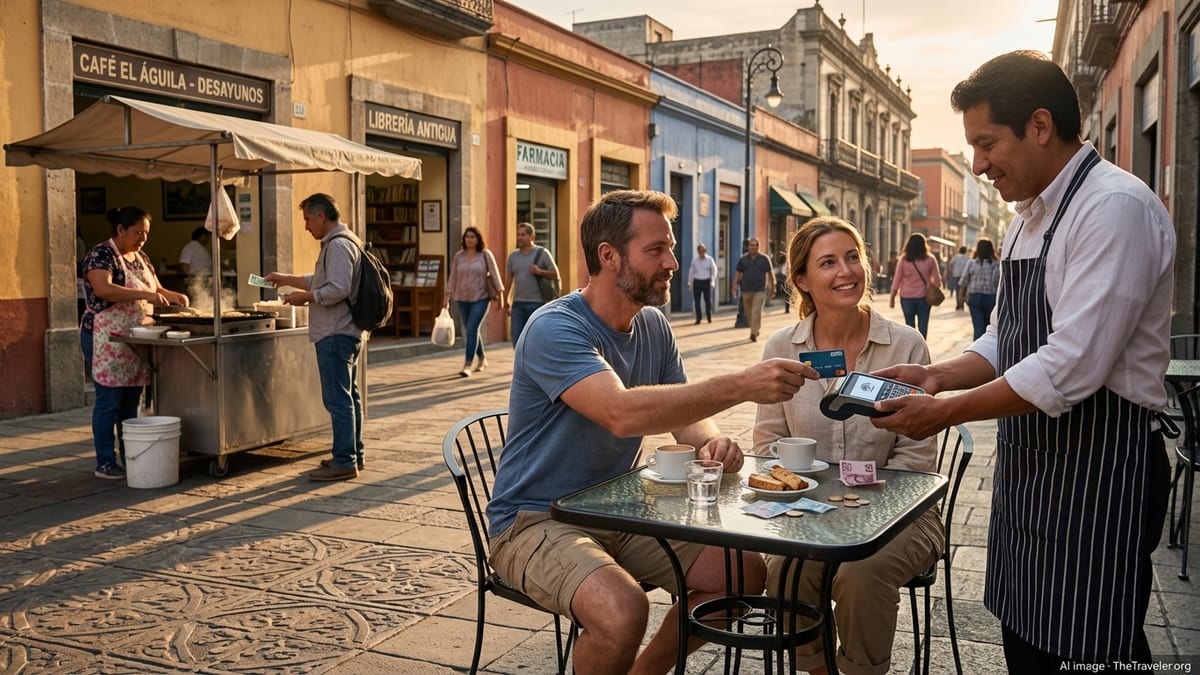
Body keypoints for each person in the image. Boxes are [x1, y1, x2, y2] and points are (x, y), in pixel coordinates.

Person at [872, 51, 1175, 670]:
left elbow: (1071, 366)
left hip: (1102, 470)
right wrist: (938, 375)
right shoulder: (1025, 221)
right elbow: (1007, 335)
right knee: (1029, 637)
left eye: (987, 144)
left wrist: (944, 412)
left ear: (1040, 126)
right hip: (1035, 468)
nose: (979, 164)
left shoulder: (1113, 209)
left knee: (1092, 644)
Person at [487, 189, 814, 675]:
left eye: (672, 248)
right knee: (623, 610)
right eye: (656, 250)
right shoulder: (553, 327)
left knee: (743, 571)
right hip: (535, 520)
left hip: (621, 512)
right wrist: (743, 384)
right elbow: (621, 412)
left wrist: (709, 441)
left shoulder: (654, 326)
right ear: (608, 255)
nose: (673, 264)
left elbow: (683, 415)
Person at [754, 216, 941, 675]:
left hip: (902, 511)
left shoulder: (906, 344)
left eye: (853, 257)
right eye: (828, 262)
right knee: (785, 569)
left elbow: (916, 460)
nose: (847, 271)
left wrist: (856, 508)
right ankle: (817, 669)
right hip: (808, 510)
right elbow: (767, 444)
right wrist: (812, 501)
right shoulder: (782, 346)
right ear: (801, 279)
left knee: (860, 572)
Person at [80, 206, 190, 479]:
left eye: (146, 233)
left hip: (136, 338)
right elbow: (103, 289)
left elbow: (154, 289)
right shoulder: (101, 254)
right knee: (108, 401)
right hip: (106, 337)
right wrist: (145, 295)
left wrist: (173, 295)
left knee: (131, 402)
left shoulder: (140, 256)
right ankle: (104, 461)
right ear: (120, 229)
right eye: (137, 232)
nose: (142, 238)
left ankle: (129, 455)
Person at [266, 193, 367, 481]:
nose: (307, 227)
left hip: (335, 331)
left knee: (338, 399)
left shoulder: (337, 246)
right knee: (349, 397)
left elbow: (337, 288)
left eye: (308, 219)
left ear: (321, 216)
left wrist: (305, 298)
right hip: (345, 330)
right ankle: (351, 453)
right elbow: (322, 280)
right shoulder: (344, 242)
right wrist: (287, 279)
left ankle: (345, 460)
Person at [445, 226, 505, 377]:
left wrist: (501, 295)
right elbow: (453, 277)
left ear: (478, 239)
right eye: (467, 237)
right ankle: (483, 358)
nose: (469, 239)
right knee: (472, 330)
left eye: (472, 237)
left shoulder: (485, 254)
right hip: (462, 298)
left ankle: (467, 364)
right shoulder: (459, 256)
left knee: (471, 329)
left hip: (481, 297)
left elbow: (495, 274)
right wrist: (447, 297)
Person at [504, 222, 559, 347]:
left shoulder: (542, 253)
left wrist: (539, 271)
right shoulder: (513, 256)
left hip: (537, 303)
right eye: (518, 234)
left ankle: (533, 365)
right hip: (518, 304)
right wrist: (506, 299)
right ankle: (521, 365)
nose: (519, 237)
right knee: (517, 339)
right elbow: (509, 279)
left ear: (532, 237)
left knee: (535, 340)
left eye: (523, 235)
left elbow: (555, 274)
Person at [888, 232, 941, 337]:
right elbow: (937, 281)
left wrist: (892, 298)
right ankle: (922, 348)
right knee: (923, 325)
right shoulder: (930, 259)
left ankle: (912, 349)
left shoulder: (903, 260)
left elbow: (896, 280)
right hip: (924, 298)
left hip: (906, 297)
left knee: (909, 326)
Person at [732, 237, 775, 342]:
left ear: (758, 247)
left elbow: (770, 274)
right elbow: (737, 273)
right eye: (751, 245)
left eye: (755, 245)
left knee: (756, 311)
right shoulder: (743, 260)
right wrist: (734, 287)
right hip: (746, 290)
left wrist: (773, 287)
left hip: (760, 290)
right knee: (748, 313)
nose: (753, 247)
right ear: (748, 246)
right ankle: (754, 328)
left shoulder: (764, 259)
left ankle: (753, 333)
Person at [958, 238, 1000, 340]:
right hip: (991, 298)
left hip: (974, 297)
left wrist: (961, 297)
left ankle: (977, 351)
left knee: (978, 327)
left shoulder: (971, 263)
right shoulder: (996, 264)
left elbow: (963, 281)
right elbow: (998, 283)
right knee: (989, 328)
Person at [687, 242, 718, 324]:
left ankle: (709, 316)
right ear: (698, 251)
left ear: (706, 251)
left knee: (707, 300)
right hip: (697, 281)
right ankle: (698, 318)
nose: (702, 252)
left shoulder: (709, 260)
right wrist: (689, 282)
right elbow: (691, 271)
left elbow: (714, 270)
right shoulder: (695, 260)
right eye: (700, 251)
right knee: (697, 301)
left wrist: (713, 280)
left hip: (706, 281)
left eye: (704, 250)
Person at [948, 245, 970, 310]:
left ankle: (958, 304)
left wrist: (951, 271)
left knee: (958, 290)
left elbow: (950, 264)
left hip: (956, 275)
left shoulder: (956, 257)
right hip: (965, 276)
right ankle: (962, 304)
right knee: (964, 290)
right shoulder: (967, 258)